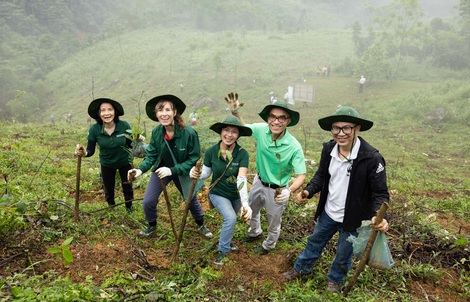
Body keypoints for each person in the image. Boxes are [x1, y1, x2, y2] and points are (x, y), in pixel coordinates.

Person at [281, 106, 390, 293]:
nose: (341, 133)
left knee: (343, 253)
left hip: (354, 218)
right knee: (314, 241)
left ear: (357, 129)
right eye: (336, 128)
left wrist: (378, 216)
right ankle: (301, 269)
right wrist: (308, 192)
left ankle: (335, 280)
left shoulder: (371, 158)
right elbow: (321, 175)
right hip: (329, 212)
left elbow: (380, 193)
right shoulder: (329, 150)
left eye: (346, 128)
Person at [226, 92, 306, 255]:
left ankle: (269, 244)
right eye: (272, 116)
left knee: (273, 219)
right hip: (259, 181)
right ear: (268, 118)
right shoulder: (261, 130)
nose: (276, 121)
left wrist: (288, 191)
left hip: (278, 190)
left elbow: (301, 176)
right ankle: (254, 232)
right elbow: (243, 128)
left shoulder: (293, 146)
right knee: (252, 209)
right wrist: (235, 112)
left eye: (281, 118)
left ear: (288, 121)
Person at [127, 94, 213, 238]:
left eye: (168, 110)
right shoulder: (157, 132)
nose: (164, 114)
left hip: (183, 170)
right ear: (156, 114)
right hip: (161, 169)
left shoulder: (189, 133)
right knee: (148, 201)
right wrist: (140, 170)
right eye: (160, 110)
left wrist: (172, 170)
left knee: (190, 199)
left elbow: (193, 159)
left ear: (175, 112)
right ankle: (151, 226)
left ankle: (201, 224)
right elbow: (151, 155)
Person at [190, 115, 253, 266]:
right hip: (218, 193)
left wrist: (245, 202)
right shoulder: (212, 151)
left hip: (236, 195)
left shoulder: (242, 153)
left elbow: (241, 178)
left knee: (232, 219)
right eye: (226, 130)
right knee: (230, 218)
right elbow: (206, 173)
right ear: (220, 132)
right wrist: (196, 174)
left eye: (234, 132)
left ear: (238, 135)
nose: (229, 135)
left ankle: (227, 241)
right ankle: (222, 252)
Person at [75, 98, 135, 213]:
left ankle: (129, 206)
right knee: (108, 187)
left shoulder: (124, 126)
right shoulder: (94, 129)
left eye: (110, 110)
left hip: (124, 162)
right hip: (107, 163)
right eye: (103, 110)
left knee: (127, 185)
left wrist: (137, 141)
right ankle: (111, 206)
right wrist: (83, 153)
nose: (107, 113)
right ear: (99, 113)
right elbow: (90, 150)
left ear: (115, 112)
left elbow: (131, 145)